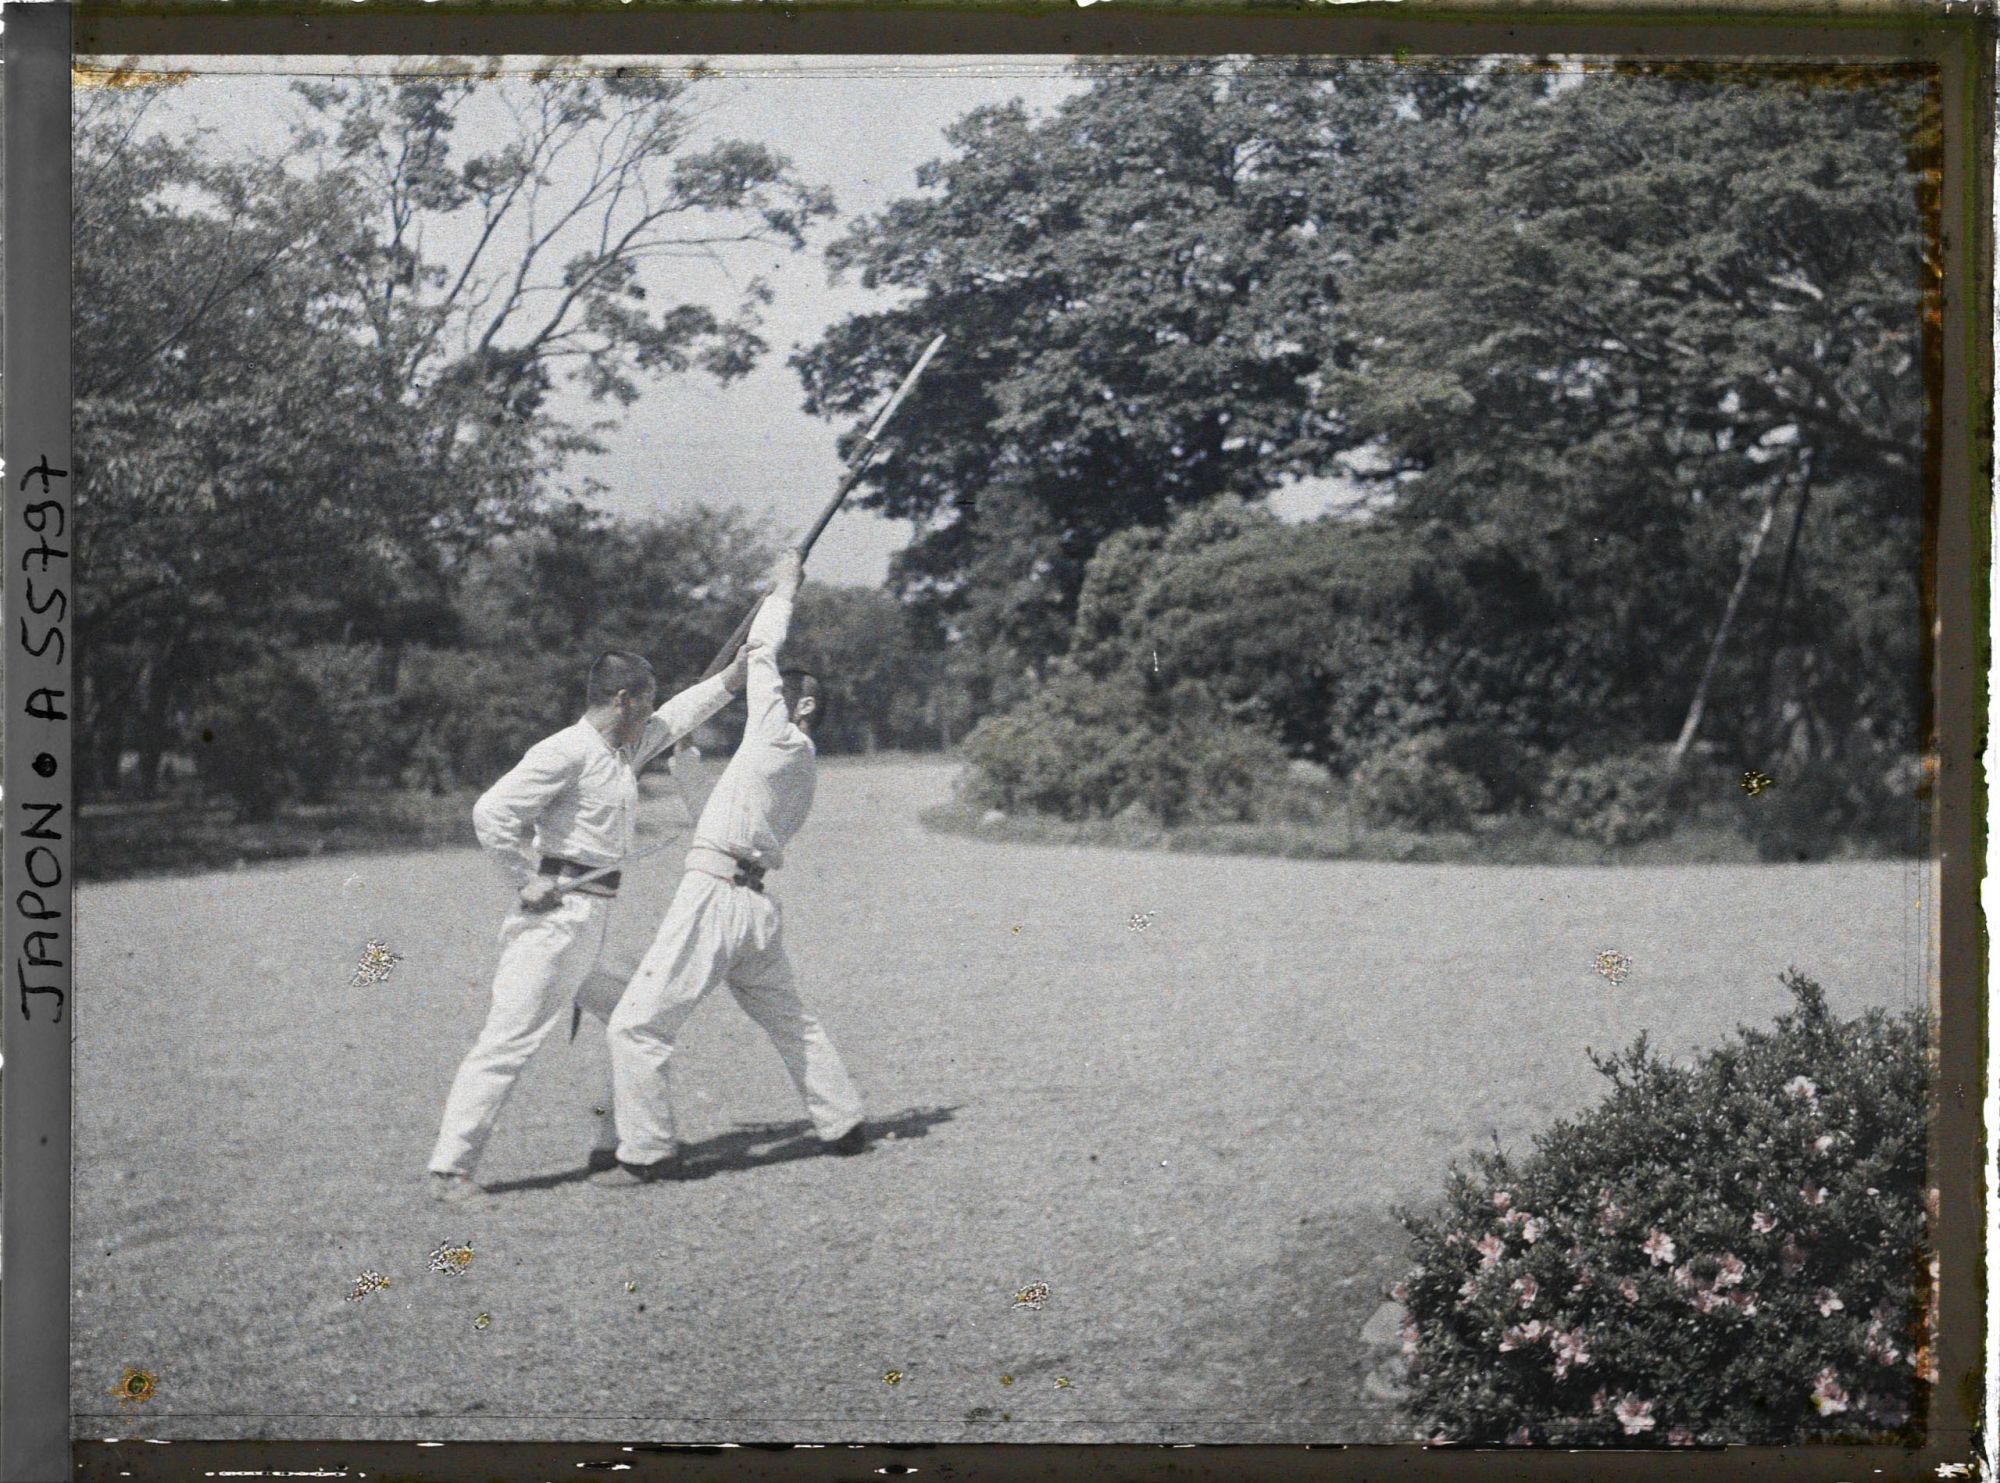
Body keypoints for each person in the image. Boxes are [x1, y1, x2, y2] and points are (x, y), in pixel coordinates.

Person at [426, 646, 748, 1204]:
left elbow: (680, 714)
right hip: (556, 922)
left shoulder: (625, 747)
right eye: (645, 700)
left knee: (630, 1021)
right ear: (623, 700)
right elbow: (492, 812)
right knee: (508, 1041)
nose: (653, 711)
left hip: (596, 922)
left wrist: (731, 679)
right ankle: (450, 1169)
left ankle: (617, 1141)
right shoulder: (565, 750)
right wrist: (524, 878)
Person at [596, 552, 865, 1184]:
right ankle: (843, 1121)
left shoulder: (778, 739)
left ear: (802, 709)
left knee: (635, 1027)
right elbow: (719, 815)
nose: (760, 700)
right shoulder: (793, 767)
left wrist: (785, 589)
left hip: (716, 898)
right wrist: (684, 762)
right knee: (791, 1021)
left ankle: (649, 1152)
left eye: (774, 697)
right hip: (750, 907)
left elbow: (765, 651)